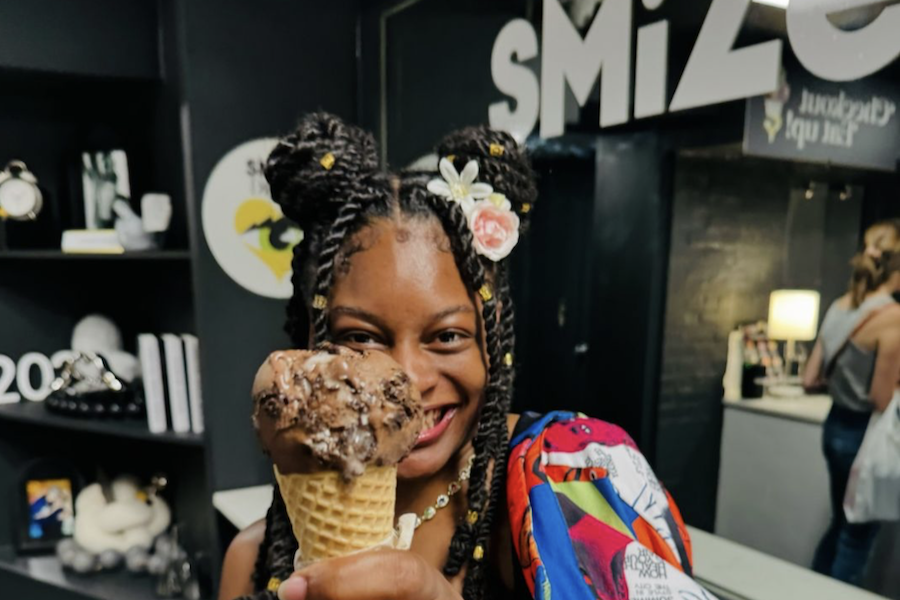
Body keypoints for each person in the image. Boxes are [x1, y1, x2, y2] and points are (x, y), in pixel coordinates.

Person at [219, 114, 707, 600]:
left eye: (447, 336)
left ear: (492, 339)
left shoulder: (572, 484)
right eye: (362, 339)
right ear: (310, 339)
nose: (409, 378)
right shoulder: (256, 562)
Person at [804, 218, 900, 586]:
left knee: (840, 523)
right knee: (857, 535)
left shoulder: (840, 305)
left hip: (834, 428)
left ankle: (808, 589)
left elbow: (810, 378)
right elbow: (880, 397)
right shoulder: (891, 318)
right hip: (864, 435)